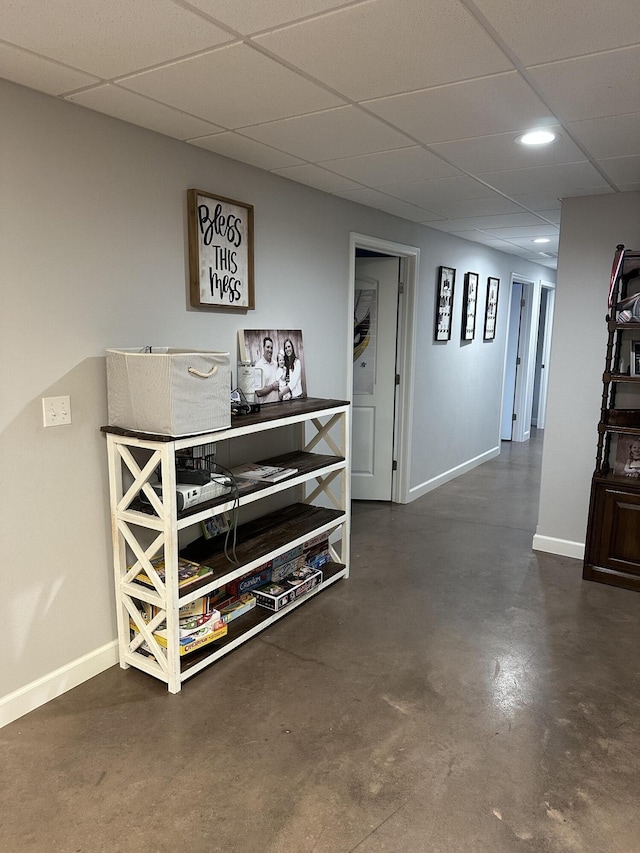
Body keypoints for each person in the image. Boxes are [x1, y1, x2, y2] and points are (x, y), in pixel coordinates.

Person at [254, 336, 279, 403]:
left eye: (271, 348)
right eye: (268, 347)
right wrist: (272, 387)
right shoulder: (258, 366)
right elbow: (258, 392)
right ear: (263, 348)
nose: (270, 350)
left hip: (278, 404)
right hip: (265, 407)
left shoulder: (276, 364)